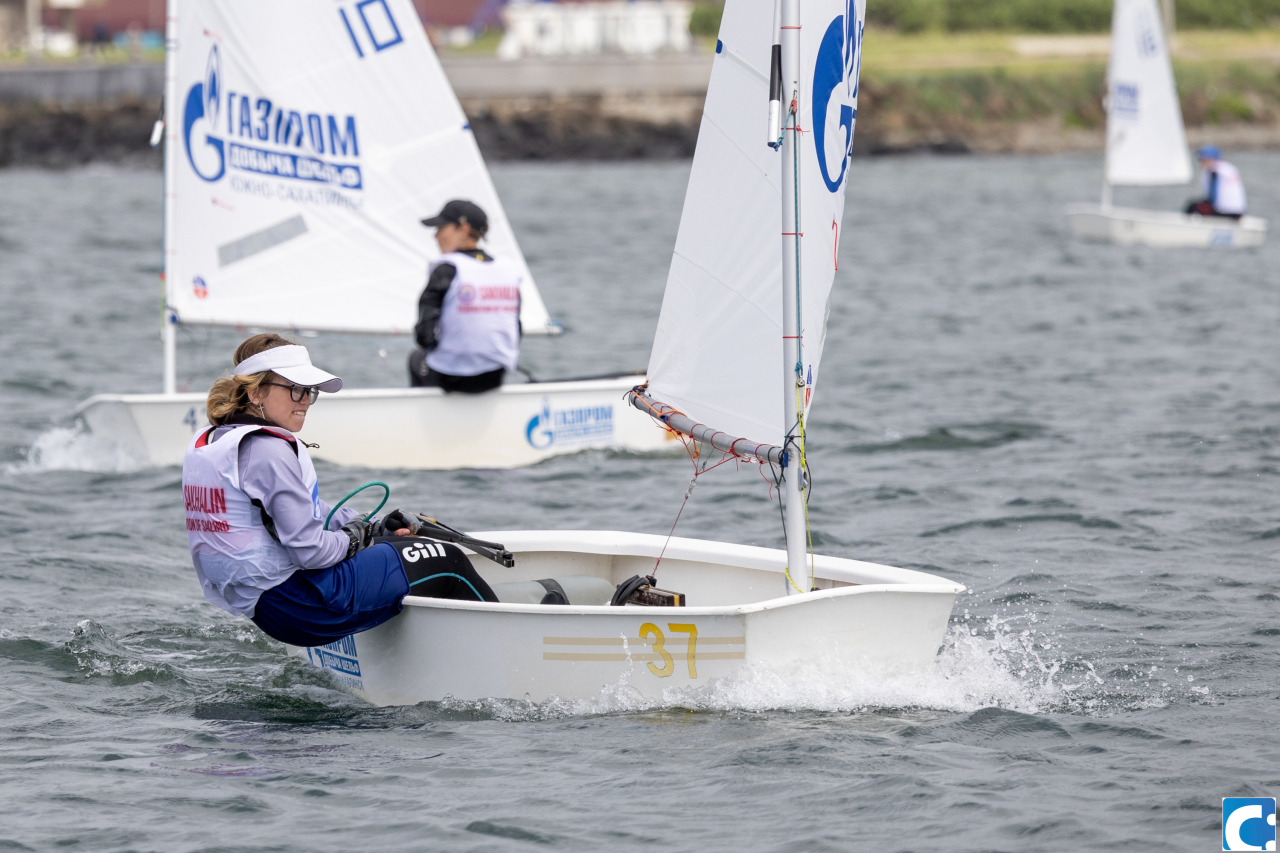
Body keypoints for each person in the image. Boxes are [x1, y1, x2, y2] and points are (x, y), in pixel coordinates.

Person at [182, 333, 497, 648]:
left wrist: (370, 526)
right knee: (448, 560)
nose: (305, 399)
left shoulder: (214, 442)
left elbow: (301, 512)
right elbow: (311, 552)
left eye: (310, 391)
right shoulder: (268, 451)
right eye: (295, 388)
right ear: (255, 393)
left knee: (386, 551)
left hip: (269, 609)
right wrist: (354, 537)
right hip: (303, 605)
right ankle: (508, 647)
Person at [408, 199, 522, 392]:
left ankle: (428, 418)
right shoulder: (509, 270)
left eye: (441, 228)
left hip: (452, 378)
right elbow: (517, 330)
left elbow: (424, 335)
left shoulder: (447, 269)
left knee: (415, 358)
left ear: (464, 229)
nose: (436, 235)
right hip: (495, 375)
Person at [1184, 146, 1247, 220]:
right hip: (1239, 212)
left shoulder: (1214, 171)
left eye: (1202, 159)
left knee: (1192, 206)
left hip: (1225, 213)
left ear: (1211, 159)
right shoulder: (1228, 167)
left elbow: (1212, 198)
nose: (1200, 161)